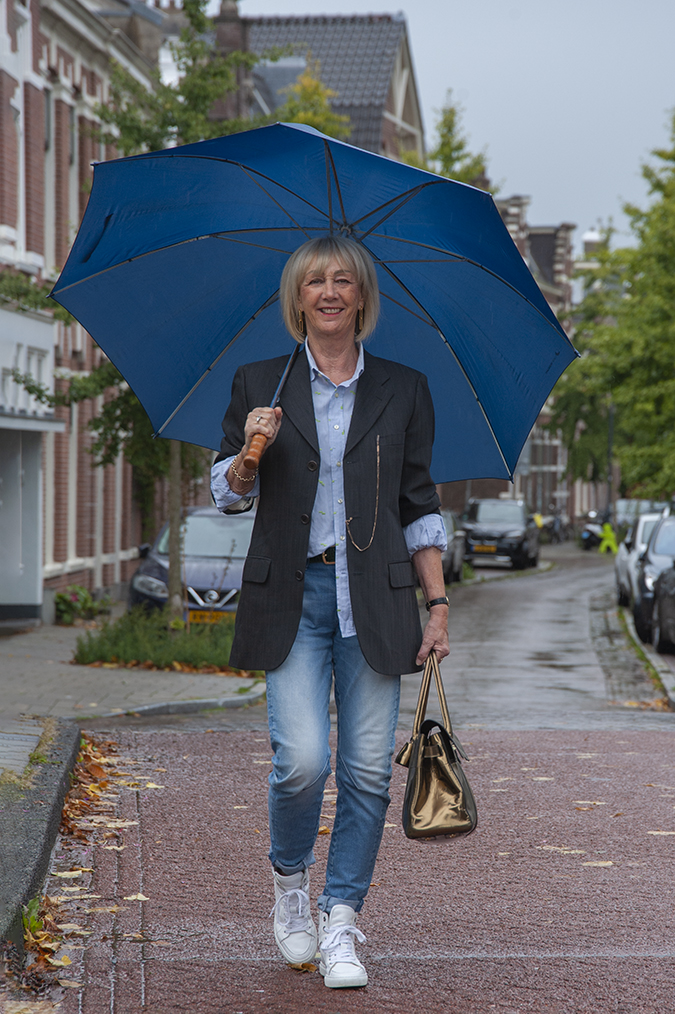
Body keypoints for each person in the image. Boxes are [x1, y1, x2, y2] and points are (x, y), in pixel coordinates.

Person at [210, 235, 449, 990]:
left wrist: (438, 605)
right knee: (302, 762)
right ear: (298, 299)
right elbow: (226, 494)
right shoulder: (259, 383)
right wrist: (249, 453)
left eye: (343, 280)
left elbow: (419, 505)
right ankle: (290, 885)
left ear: (361, 297)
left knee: (368, 771)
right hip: (293, 594)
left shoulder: (404, 389)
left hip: (377, 599)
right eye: (315, 282)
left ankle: (341, 918)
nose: (329, 292)